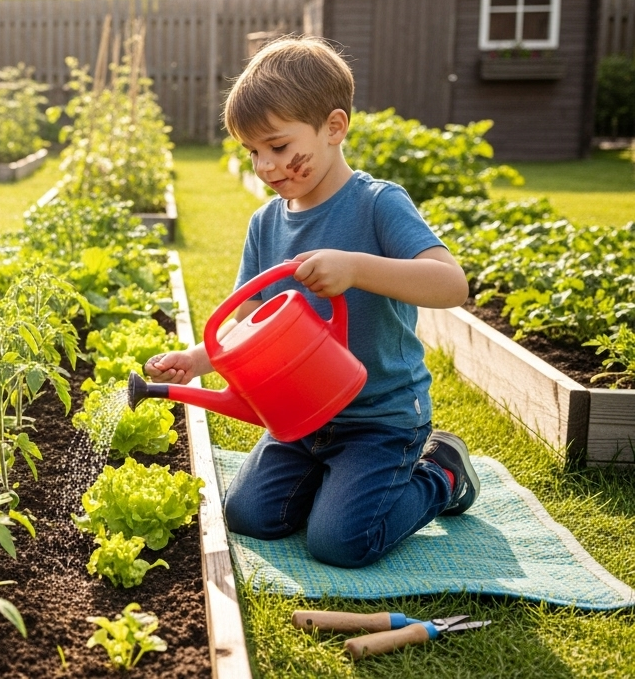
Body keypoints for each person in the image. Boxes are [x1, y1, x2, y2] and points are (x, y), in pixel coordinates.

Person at [144, 36, 479, 568]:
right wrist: (196, 360)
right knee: (250, 516)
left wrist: (356, 268)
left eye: (277, 146)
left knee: (340, 543)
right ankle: (335, 481)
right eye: (253, 152)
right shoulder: (267, 223)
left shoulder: (377, 204)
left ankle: (442, 473)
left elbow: (450, 284)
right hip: (301, 417)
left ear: (334, 127)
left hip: (381, 417)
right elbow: (247, 323)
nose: (265, 166)